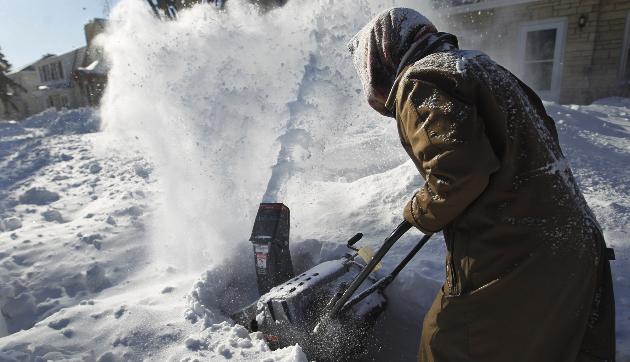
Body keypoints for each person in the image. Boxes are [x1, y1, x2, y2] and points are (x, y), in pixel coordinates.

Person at [348, 8, 615, 362]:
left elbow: (457, 174)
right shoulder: (480, 67)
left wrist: (418, 211)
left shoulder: (422, 79)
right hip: (572, 243)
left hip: (514, 251)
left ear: (383, 55)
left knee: (445, 343)